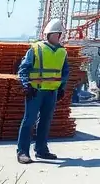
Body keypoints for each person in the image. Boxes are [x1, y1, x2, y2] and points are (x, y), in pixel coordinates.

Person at [16, 18, 69, 165]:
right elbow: (23, 69)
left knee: (45, 122)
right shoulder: (36, 48)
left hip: (51, 92)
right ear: (53, 34)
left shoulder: (62, 52)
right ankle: (22, 152)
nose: (60, 37)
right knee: (29, 121)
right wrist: (26, 85)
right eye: (59, 34)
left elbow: (64, 72)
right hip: (36, 91)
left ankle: (41, 149)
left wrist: (61, 88)